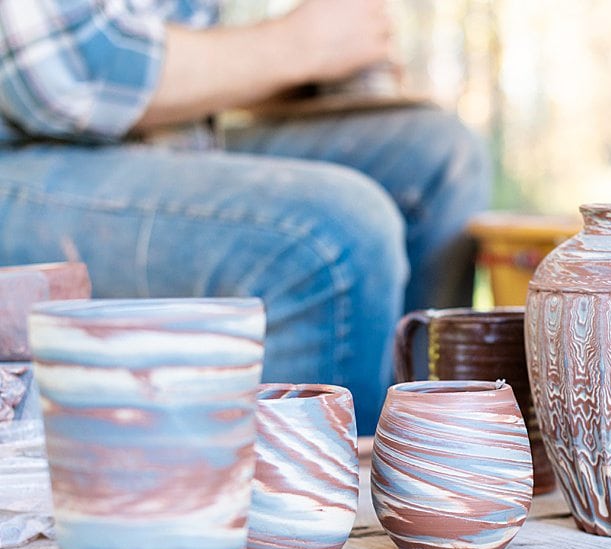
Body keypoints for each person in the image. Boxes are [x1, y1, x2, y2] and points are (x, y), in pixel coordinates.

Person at [0, 0, 491, 432]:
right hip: (21, 159)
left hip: (162, 138)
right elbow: (63, 73)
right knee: (334, 234)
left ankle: (427, 459)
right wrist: (298, 44)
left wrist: (323, 63)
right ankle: (310, 515)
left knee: (438, 156)